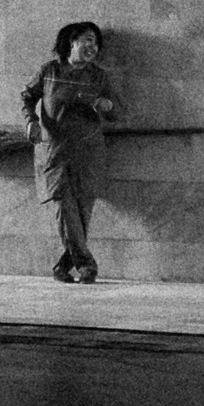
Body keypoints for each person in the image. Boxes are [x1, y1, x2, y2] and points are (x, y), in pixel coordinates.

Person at [21, 21, 118, 283]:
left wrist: (106, 106)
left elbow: (117, 113)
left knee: (81, 216)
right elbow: (27, 95)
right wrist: (31, 120)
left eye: (96, 43)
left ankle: (62, 267)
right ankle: (87, 266)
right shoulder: (49, 71)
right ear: (71, 42)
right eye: (87, 40)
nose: (92, 47)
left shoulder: (99, 77)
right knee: (65, 209)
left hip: (89, 154)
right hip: (55, 153)